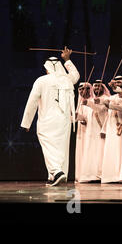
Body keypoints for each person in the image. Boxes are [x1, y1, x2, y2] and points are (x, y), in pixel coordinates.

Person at [21, 47, 80, 186]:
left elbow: (32, 102)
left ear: (47, 68)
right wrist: (67, 60)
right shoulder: (67, 79)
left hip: (47, 120)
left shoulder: (41, 80)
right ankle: (54, 176)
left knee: (48, 147)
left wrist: (26, 123)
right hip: (64, 121)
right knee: (61, 148)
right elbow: (76, 75)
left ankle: (57, 172)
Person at [100, 76, 122, 183]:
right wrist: (104, 129)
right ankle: (111, 176)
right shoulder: (111, 97)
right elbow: (107, 113)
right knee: (112, 150)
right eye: (115, 83)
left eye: (119, 83)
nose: (117, 85)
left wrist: (111, 106)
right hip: (112, 127)